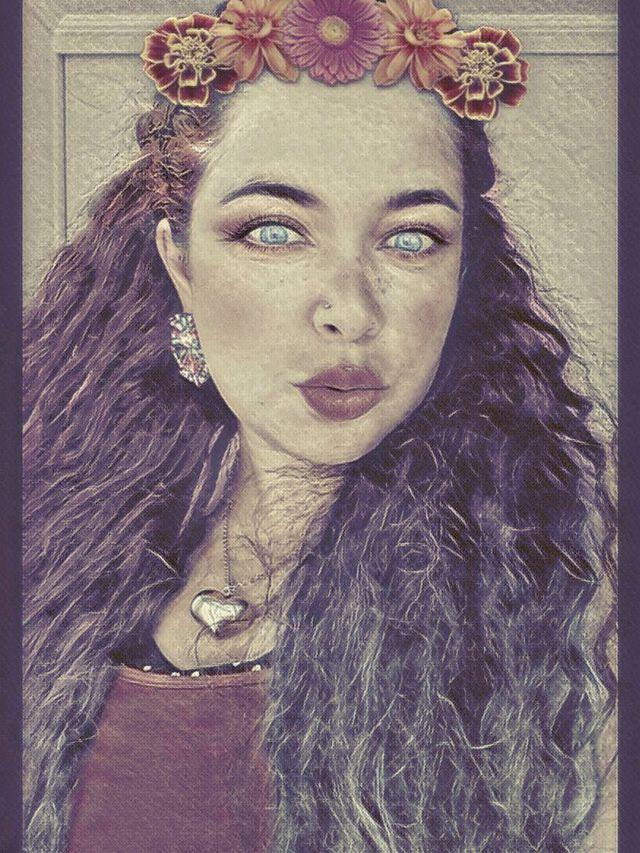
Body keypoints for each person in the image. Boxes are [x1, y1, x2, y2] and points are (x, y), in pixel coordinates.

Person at [23, 1, 616, 851]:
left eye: (412, 239)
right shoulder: (59, 555)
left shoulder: (563, 598)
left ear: (463, 274)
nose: (351, 309)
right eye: (274, 231)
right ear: (178, 264)